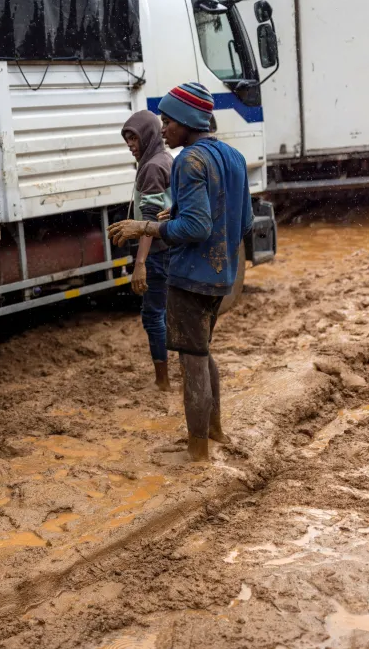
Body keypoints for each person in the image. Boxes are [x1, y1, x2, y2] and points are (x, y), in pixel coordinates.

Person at [108, 83, 253, 462]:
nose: (164, 128)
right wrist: (177, 215)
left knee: (191, 361)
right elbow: (244, 221)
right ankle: (215, 431)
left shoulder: (190, 160)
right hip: (221, 276)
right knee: (202, 351)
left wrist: (145, 228)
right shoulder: (234, 156)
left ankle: (197, 451)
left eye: (168, 121)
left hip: (191, 276)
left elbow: (197, 228)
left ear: (188, 121)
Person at [122, 110, 174, 392]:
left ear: (149, 136)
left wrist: (140, 262)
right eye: (127, 139)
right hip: (169, 248)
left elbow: (150, 218)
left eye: (134, 138)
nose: (130, 144)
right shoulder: (164, 159)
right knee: (167, 314)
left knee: (153, 315)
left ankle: (162, 381)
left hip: (157, 252)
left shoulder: (152, 166)